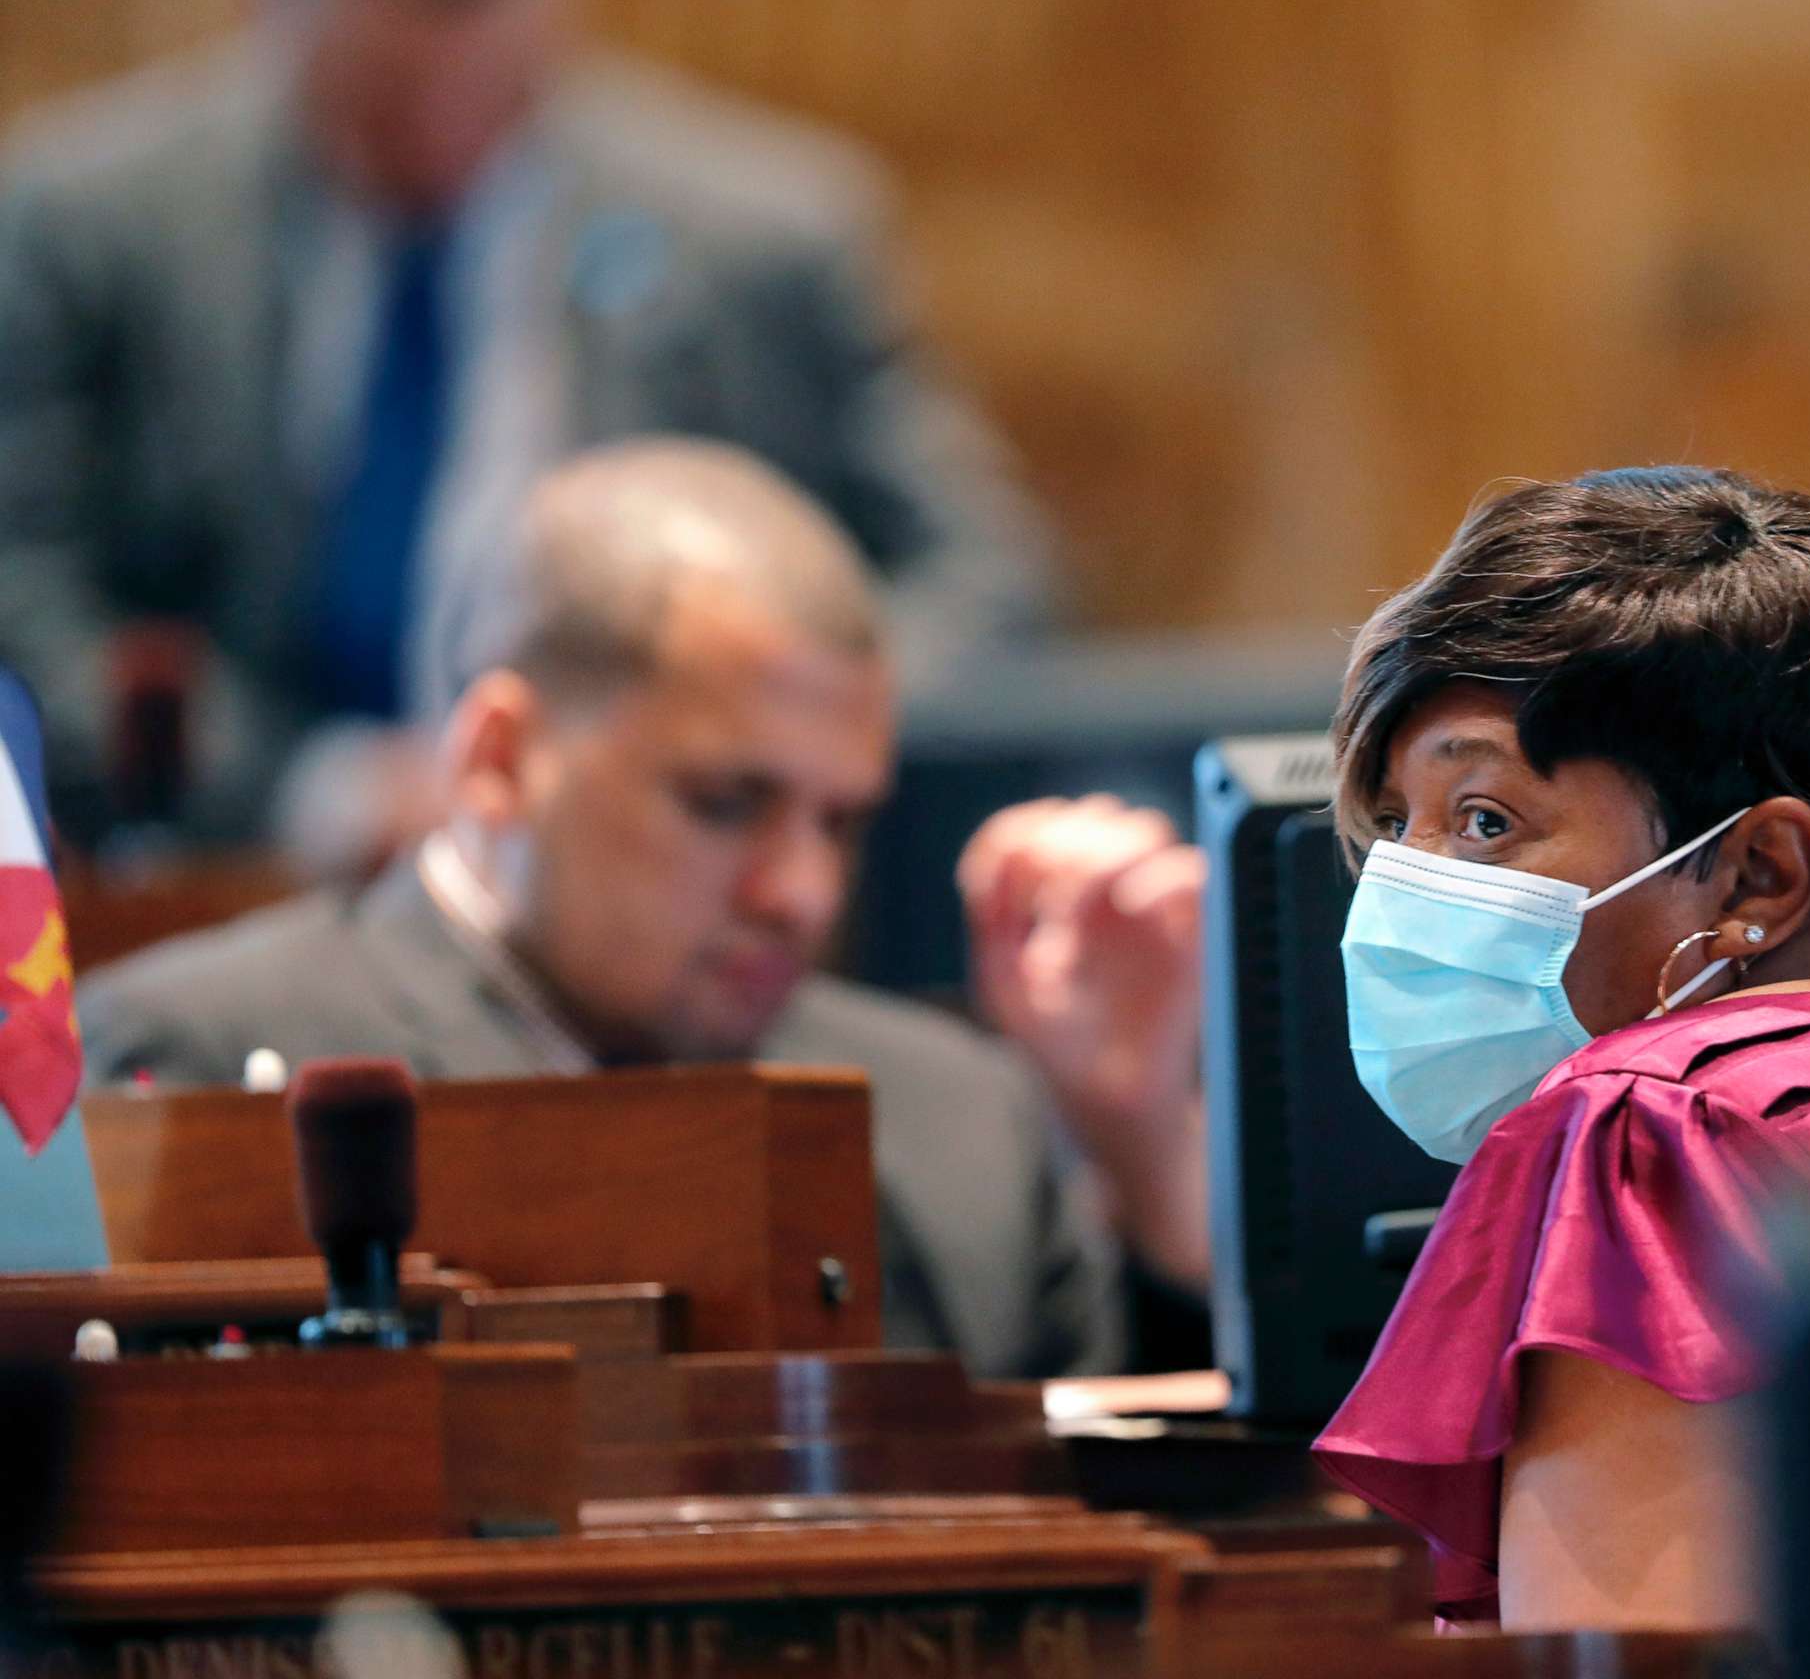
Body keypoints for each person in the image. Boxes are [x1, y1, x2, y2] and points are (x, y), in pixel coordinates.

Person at [75, 439, 1202, 1380]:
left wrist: (1145, 1158)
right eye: (725, 803)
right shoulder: (190, 1065)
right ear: (502, 760)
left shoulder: (959, 1120)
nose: (801, 892)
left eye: (839, 824)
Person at [1310, 466, 1810, 1629]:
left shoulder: (1647, 1123)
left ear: (1757, 877)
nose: (1407, 880)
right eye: (1400, 825)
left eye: (1485, 821)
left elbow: (1620, 1662)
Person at [0, 0, 1052, 849]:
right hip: (230, 886)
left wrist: (748, 754)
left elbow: (984, 581)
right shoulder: (89, 229)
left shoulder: (767, 242)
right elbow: (23, 591)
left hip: (657, 895)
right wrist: (312, 791)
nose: (432, 51)